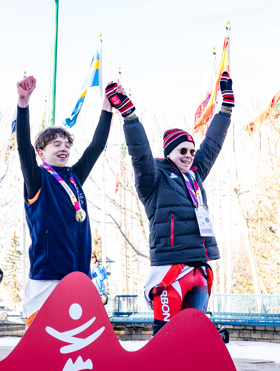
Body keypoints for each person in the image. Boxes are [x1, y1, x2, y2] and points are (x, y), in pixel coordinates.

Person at [108, 73, 234, 339]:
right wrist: (130, 117)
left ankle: (205, 340)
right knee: (165, 338)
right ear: (169, 153)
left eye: (191, 150)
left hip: (198, 268)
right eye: (182, 151)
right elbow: (139, 152)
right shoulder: (154, 178)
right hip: (170, 270)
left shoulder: (195, 175)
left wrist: (226, 108)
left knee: (192, 336)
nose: (188, 156)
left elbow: (211, 145)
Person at [16, 76, 115, 328]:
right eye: (56, 144)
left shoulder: (74, 177)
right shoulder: (37, 178)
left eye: (67, 144)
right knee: (39, 342)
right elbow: (22, 148)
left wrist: (107, 108)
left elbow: (96, 146)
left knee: (73, 342)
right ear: (41, 152)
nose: (63, 148)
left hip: (78, 275)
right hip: (47, 275)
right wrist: (23, 104)